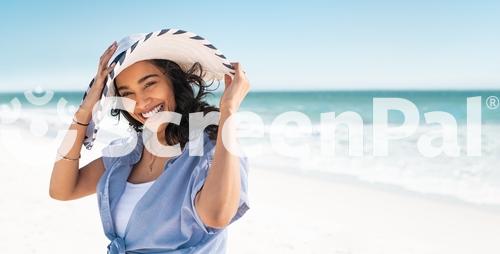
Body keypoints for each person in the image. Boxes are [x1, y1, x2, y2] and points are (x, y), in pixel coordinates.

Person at [49, 29, 251, 253]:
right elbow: (61, 190)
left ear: (174, 81)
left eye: (149, 84)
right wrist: (86, 110)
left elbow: (217, 215)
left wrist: (228, 112)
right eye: (127, 94)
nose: (141, 101)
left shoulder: (211, 148)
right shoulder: (125, 154)